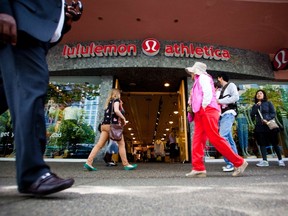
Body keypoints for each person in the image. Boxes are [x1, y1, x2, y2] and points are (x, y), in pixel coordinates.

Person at [0, 0, 82, 196]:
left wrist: (67, 14)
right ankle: (33, 174)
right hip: (21, 26)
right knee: (32, 88)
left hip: (35, 31)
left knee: (6, 93)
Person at [185, 62, 248, 178]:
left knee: (215, 138)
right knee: (198, 140)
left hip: (207, 110)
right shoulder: (197, 81)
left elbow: (208, 93)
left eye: (192, 71)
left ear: (196, 71)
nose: (190, 74)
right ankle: (198, 168)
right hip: (201, 111)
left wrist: (203, 106)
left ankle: (239, 162)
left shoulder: (203, 77)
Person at [84, 88, 137, 171]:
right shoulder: (116, 100)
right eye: (119, 93)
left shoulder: (109, 102)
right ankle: (126, 164)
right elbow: (116, 111)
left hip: (104, 126)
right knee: (121, 145)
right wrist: (123, 118)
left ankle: (88, 162)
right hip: (112, 126)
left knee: (99, 145)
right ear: (117, 94)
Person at [250, 90, 285, 167]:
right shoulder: (255, 105)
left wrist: (267, 119)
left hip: (269, 125)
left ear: (264, 95)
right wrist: (256, 106)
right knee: (262, 143)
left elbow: (273, 113)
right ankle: (265, 160)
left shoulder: (269, 103)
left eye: (261, 93)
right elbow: (252, 115)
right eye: (257, 94)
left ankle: (280, 159)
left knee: (274, 142)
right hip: (260, 126)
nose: (259, 94)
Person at [216, 73, 240, 172]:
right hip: (223, 117)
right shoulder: (221, 90)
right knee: (229, 141)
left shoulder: (231, 85)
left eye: (218, 78)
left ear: (220, 78)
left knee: (222, 138)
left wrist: (220, 101)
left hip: (228, 114)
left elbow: (236, 97)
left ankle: (231, 163)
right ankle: (237, 163)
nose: (217, 80)